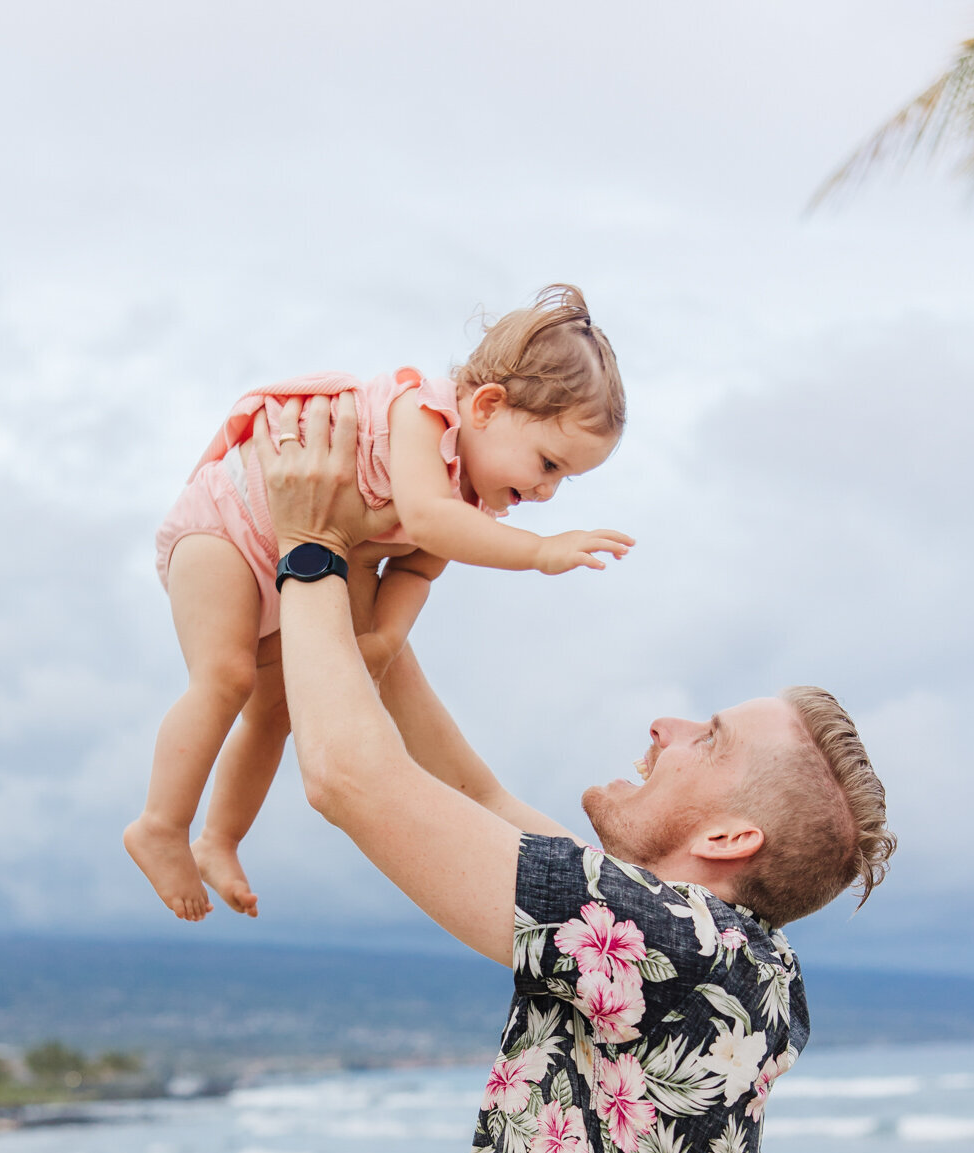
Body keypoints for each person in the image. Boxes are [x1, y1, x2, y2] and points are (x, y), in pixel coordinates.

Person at [254, 397, 895, 1153]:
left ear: (730, 837)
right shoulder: (702, 952)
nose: (662, 727)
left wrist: (308, 551)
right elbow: (470, 796)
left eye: (707, 738)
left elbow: (351, 782)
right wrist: (377, 579)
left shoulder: (676, 943)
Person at [124, 285, 632, 922]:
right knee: (223, 677)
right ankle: (159, 824)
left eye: (564, 479)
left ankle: (218, 839)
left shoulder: (469, 499)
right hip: (224, 529)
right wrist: (537, 550)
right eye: (548, 463)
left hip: (285, 563)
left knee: (274, 710)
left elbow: (417, 569)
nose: (548, 490)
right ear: (488, 405)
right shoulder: (421, 414)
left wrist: (386, 638)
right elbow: (425, 519)